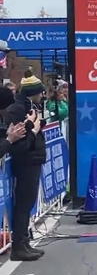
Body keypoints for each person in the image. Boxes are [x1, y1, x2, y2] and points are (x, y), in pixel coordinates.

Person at [6, 70, 47, 261]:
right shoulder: (18, 110)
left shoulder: (30, 107)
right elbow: (19, 143)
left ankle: (24, 242)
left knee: (28, 203)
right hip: (25, 162)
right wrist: (34, 129)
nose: (43, 95)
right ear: (34, 92)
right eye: (40, 92)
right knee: (23, 204)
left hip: (33, 159)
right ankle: (18, 247)